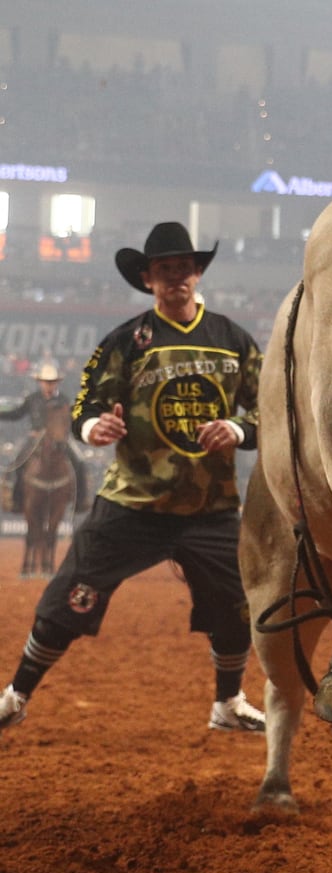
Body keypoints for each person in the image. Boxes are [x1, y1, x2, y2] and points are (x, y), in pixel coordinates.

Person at [0, 222, 266, 736]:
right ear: (147, 279)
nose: (175, 279)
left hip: (210, 508)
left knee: (237, 608)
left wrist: (238, 426)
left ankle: (228, 702)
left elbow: (267, 409)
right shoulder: (126, 340)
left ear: (197, 273)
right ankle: (16, 695)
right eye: (164, 271)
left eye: (184, 269)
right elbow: (86, 403)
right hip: (132, 503)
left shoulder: (233, 339)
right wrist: (92, 427)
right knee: (65, 601)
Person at [0, 361, 91, 514]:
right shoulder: (32, 399)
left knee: (79, 462)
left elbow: (71, 419)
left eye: (52, 382)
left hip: (60, 439)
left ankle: (81, 501)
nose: (49, 385)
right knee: (16, 463)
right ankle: (16, 500)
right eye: (46, 382)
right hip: (35, 439)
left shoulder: (63, 400)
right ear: (40, 382)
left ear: (56, 383)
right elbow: (17, 414)